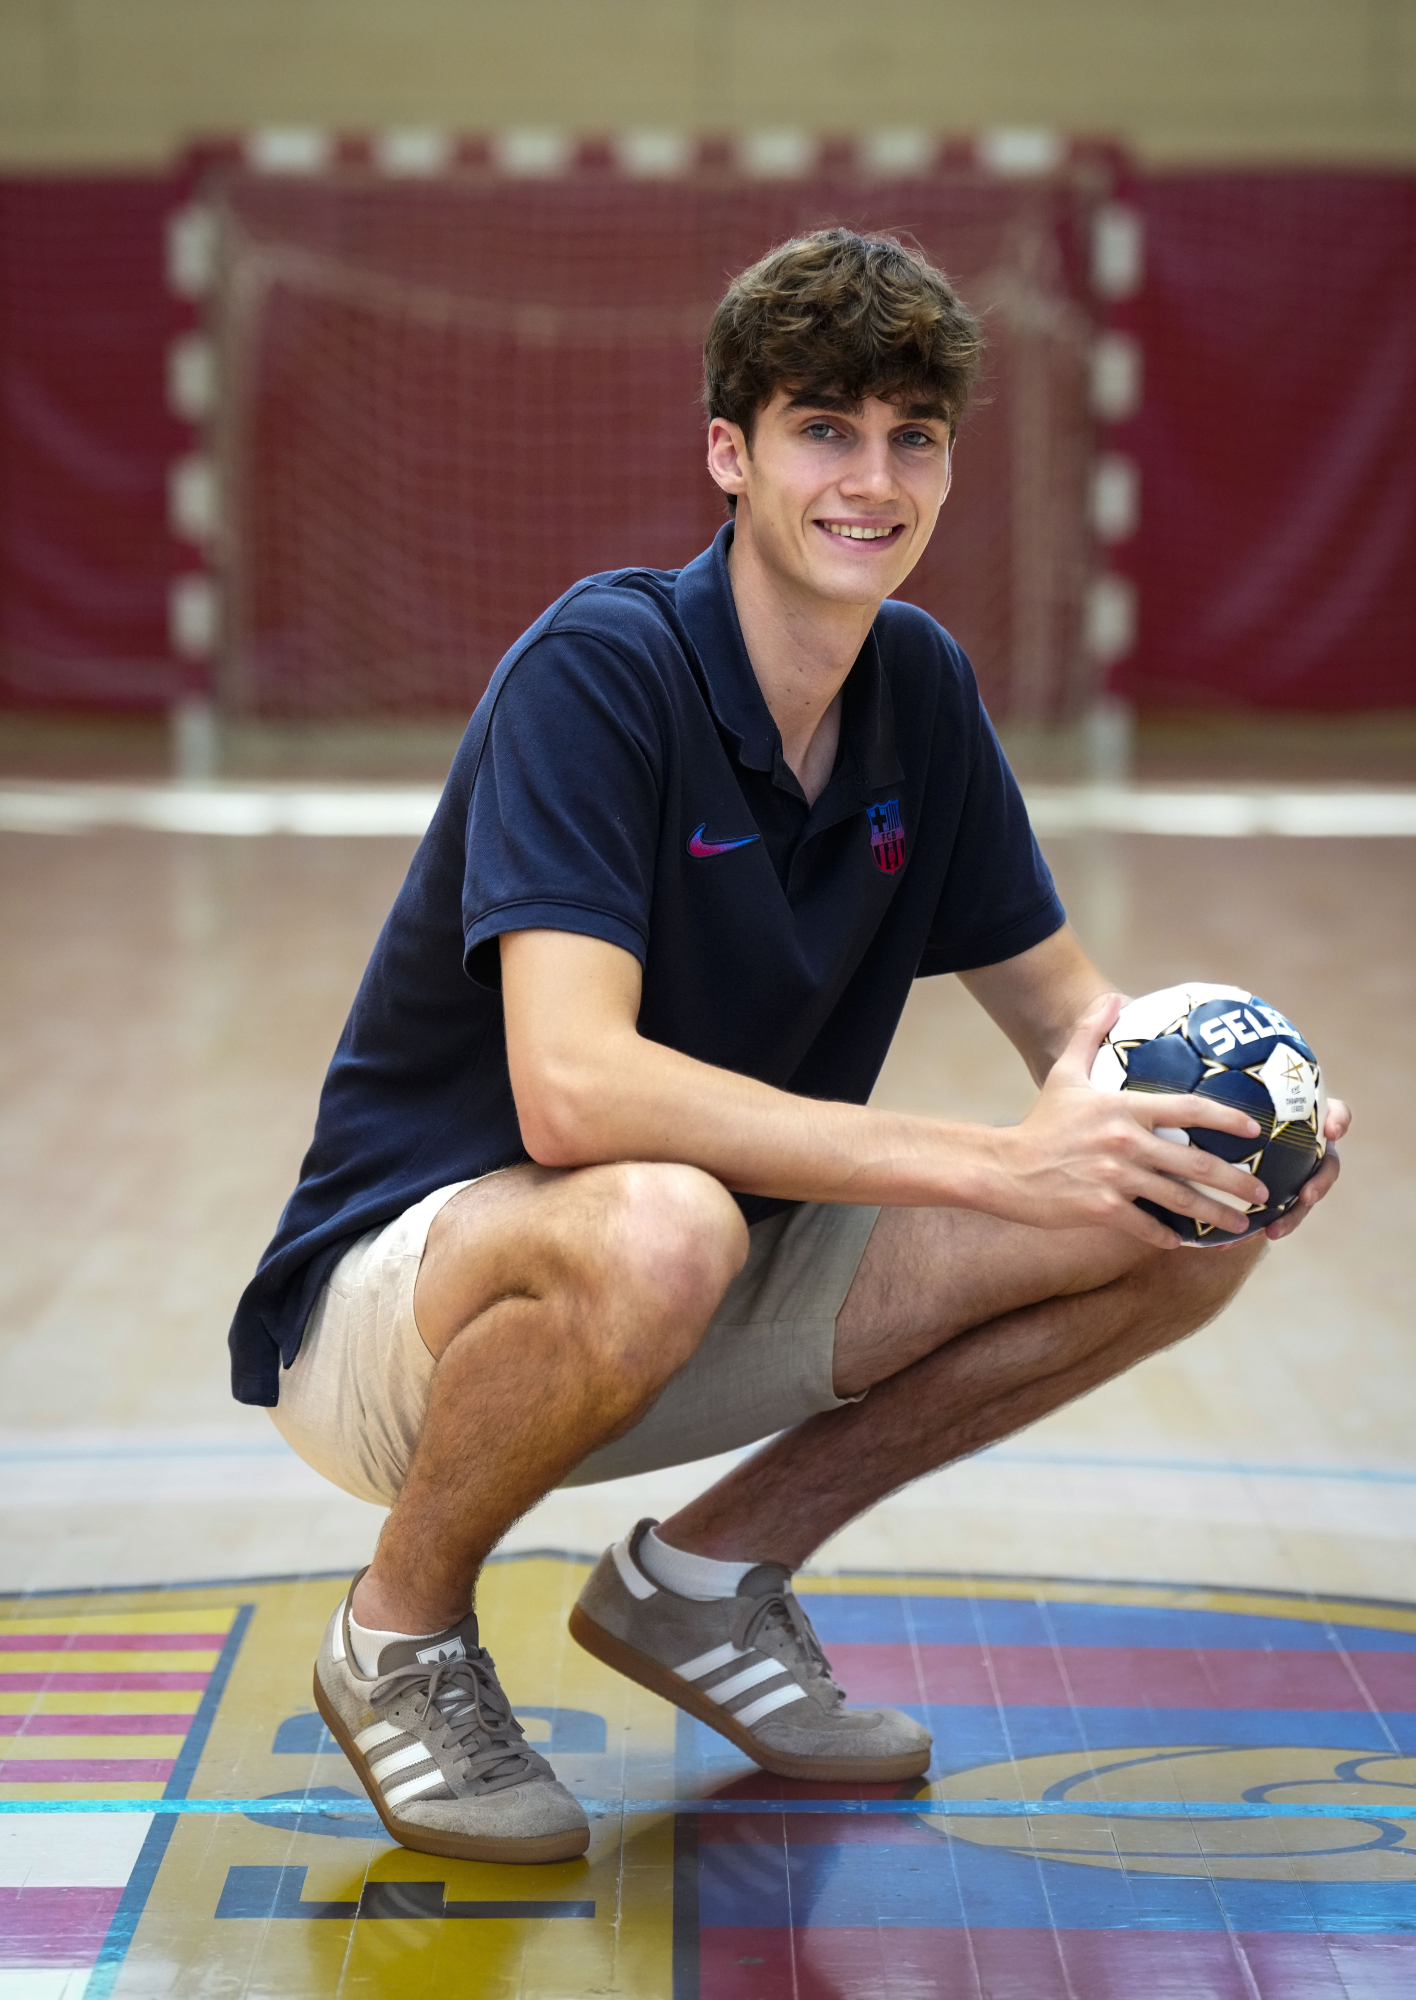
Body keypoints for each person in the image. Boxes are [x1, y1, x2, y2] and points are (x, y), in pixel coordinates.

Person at [229, 229, 1346, 1867]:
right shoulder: (600, 672)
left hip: (697, 1275)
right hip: (418, 1304)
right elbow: (573, 1088)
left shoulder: (919, 689)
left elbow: (1076, 1026)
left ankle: (700, 1584)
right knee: (664, 1206)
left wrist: (1242, 1120)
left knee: (1166, 1211)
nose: (871, 477)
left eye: (914, 436)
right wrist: (997, 1159)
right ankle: (397, 1635)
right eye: (825, 428)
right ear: (729, 454)